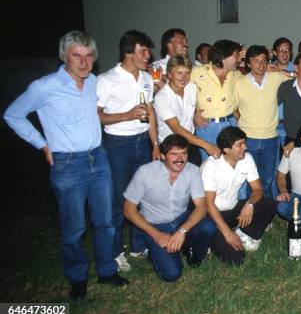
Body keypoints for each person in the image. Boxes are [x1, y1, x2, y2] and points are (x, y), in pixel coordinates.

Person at [4, 30, 128, 299]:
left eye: (89, 55)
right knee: (74, 229)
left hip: (99, 158)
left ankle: (107, 271)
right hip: (68, 164)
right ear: (64, 56)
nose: (83, 62)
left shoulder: (94, 81)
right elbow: (13, 115)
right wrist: (42, 144)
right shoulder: (44, 86)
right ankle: (78, 277)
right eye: (76, 55)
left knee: (105, 222)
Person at [96, 30, 160, 271]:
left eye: (148, 50)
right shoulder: (106, 79)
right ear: (128, 52)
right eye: (143, 50)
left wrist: (155, 145)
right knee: (119, 200)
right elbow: (97, 116)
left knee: (143, 196)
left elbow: (150, 111)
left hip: (142, 141)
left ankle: (138, 245)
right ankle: (114, 252)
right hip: (117, 146)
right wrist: (127, 115)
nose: (148, 55)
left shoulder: (145, 77)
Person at [123, 134, 217, 281]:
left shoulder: (192, 170)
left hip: (180, 220)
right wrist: (156, 234)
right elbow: (128, 210)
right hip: (155, 226)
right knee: (172, 274)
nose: (180, 159)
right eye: (174, 154)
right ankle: (154, 251)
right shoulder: (145, 172)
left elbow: (201, 207)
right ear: (162, 156)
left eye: (184, 153)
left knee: (209, 225)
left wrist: (182, 231)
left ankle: (192, 254)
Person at [202, 127, 277, 265]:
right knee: (235, 259)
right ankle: (211, 239)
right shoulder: (211, 166)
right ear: (226, 149)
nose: (245, 147)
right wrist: (227, 233)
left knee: (270, 203)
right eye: (239, 145)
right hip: (213, 216)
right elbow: (209, 204)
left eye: (244, 143)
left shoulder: (247, 159)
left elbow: (258, 190)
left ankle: (244, 233)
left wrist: (249, 204)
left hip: (233, 210)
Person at [234, 45, 292, 199]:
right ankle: (248, 212)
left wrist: (280, 71)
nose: (261, 65)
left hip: (270, 138)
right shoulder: (239, 83)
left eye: (264, 61)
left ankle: (264, 215)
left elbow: (299, 78)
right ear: (248, 63)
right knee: (249, 180)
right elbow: (232, 107)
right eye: (256, 61)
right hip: (248, 139)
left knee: (267, 179)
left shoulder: (276, 77)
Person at [153, 55, 220, 164]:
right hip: (170, 147)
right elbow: (177, 129)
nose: (184, 78)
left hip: (190, 144)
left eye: (187, 73)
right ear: (169, 74)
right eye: (179, 73)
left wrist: (195, 114)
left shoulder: (192, 88)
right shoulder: (162, 97)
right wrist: (206, 145)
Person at [190, 39, 242, 161]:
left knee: (232, 163)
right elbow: (180, 95)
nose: (239, 59)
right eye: (236, 55)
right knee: (209, 165)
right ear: (224, 56)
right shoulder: (197, 73)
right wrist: (192, 115)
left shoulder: (237, 75)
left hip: (230, 125)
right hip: (206, 126)